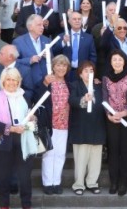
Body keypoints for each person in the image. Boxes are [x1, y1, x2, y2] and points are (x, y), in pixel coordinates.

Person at [0, 68, 37, 209]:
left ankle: (26, 205)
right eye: (8, 79)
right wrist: (12, 128)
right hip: (4, 143)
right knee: (4, 178)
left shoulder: (25, 97)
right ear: (3, 81)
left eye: (14, 79)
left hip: (23, 141)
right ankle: (4, 206)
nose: (11, 82)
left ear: (19, 81)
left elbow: (30, 118)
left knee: (25, 178)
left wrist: (33, 118)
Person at [102, 50, 127, 196]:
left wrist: (124, 112)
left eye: (120, 59)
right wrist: (109, 114)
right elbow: (104, 99)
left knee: (125, 151)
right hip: (112, 119)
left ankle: (123, 183)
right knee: (113, 151)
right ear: (111, 62)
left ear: (124, 61)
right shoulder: (106, 78)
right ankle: (114, 182)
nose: (117, 62)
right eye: (114, 60)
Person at [68, 62, 106, 195]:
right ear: (80, 73)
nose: (89, 73)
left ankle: (92, 183)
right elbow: (72, 100)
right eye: (86, 71)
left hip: (97, 125)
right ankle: (78, 184)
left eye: (91, 70)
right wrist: (84, 99)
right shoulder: (74, 85)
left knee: (95, 158)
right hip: (81, 127)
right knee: (81, 158)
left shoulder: (99, 86)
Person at [37, 55, 71, 195]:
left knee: (60, 154)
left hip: (64, 124)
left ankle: (56, 182)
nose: (61, 68)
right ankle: (47, 183)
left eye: (64, 65)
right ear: (53, 66)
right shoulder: (47, 80)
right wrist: (44, 84)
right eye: (58, 65)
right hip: (49, 123)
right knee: (49, 154)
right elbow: (37, 98)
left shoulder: (69, 82)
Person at [53, 11, 97, 81]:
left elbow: (93, 57)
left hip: (82, 73)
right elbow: (54, 52)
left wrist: (90, 73)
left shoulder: (89, 38)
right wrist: (63, 42)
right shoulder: (61, 36)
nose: (77, 21)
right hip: (65, 73)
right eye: (74, 19)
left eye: (79, 19)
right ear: (69, 21)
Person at [13, 14, 52, 86]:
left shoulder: (47, 40)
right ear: (30, 27)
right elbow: (13, 62)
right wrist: (29, 60)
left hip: (46, 82)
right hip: (28, 83)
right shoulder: (18, 42)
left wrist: (49, 57)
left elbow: (52, 59)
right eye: (39, 25)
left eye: (42, 25)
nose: (42, 27)